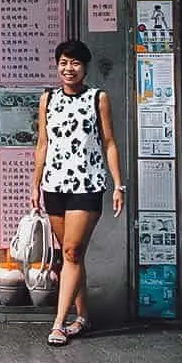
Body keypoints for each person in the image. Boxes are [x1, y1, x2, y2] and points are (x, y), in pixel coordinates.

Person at [30, 40, 124, 347]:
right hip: (53, 186)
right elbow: (42, 144)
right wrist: (35, 184)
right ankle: (82, 317)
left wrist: (118, 184)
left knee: (70, 251)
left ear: (84, 68)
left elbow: (109, 142)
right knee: (73, 254)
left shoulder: (98, 98)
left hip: (87, 184)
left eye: (75, 64)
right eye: (63, 63)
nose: (68, 69)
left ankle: (58, 324)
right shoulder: (47, 99)